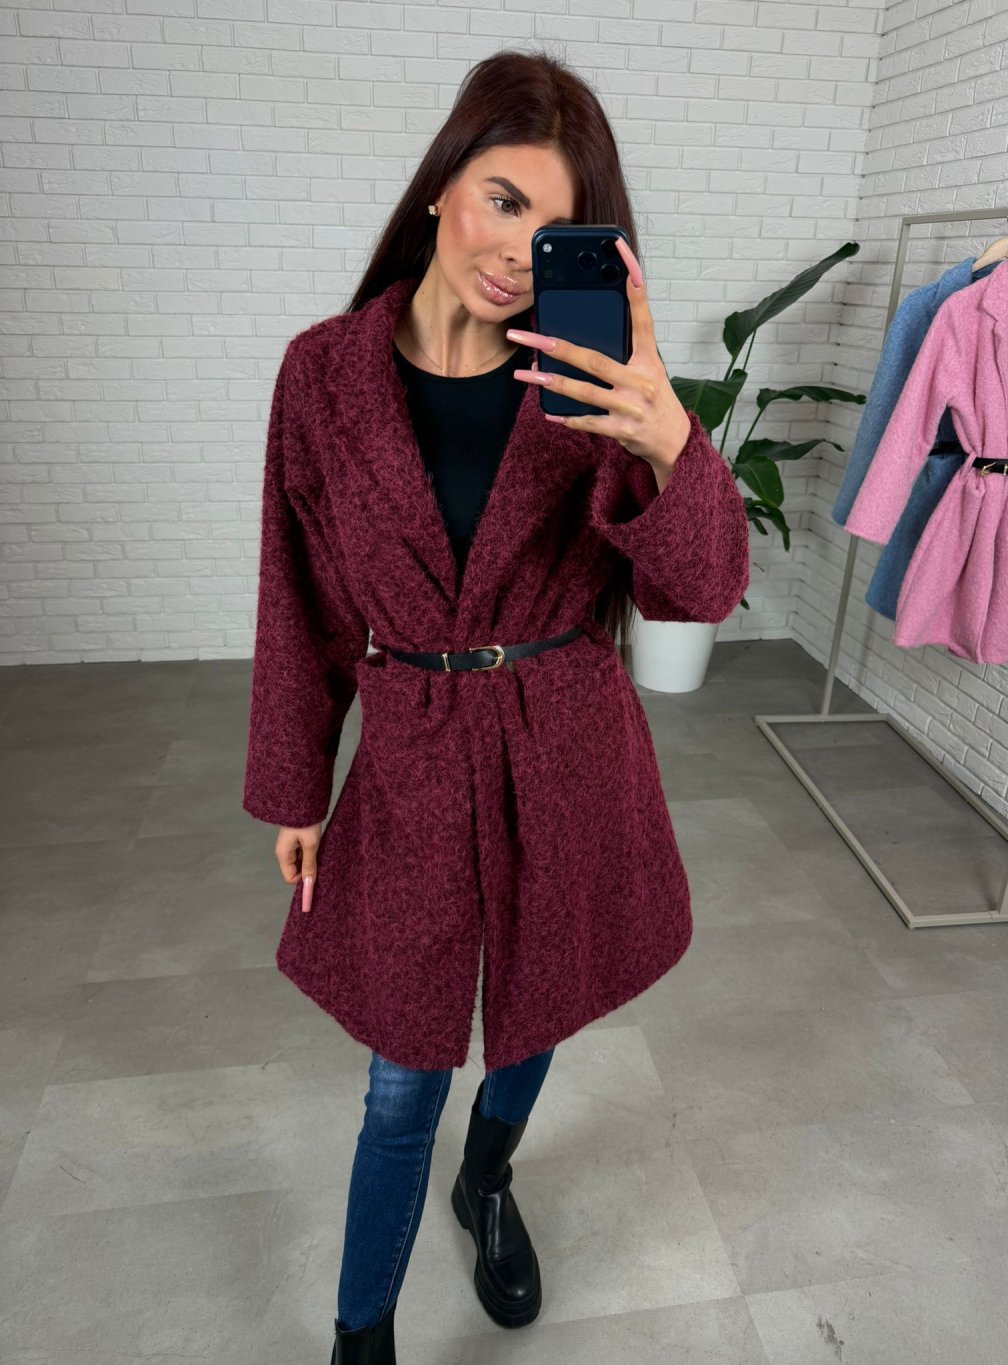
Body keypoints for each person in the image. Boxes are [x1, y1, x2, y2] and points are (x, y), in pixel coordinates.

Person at [243, 47, 750, 1365]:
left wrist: (666, 437)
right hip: (414, 747)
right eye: (503, 199)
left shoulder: (592, 381)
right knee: (400, 1073)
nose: (522, 251)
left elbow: (700, 591)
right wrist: (299, 787)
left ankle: (489, 1177)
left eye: (558, 225)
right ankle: (362, 1333)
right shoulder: (322, 377)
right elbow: (298, 597)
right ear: (440, 187)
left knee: (542, 996)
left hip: (567, 738)